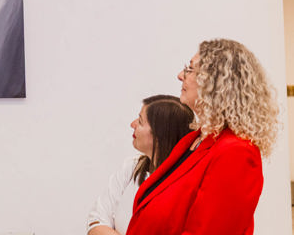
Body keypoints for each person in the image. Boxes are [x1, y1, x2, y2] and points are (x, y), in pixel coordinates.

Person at [126, 39, 280, 235]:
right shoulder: (193, 140)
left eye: (189, 69)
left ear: (215, 83)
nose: (180, 75)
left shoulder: (237, 152)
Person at [87, 95, 193, 234]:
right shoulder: (132, 167)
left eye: (141, 122)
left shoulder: (185, 186)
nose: (133, 124)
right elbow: (96, 220)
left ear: (160, 135)